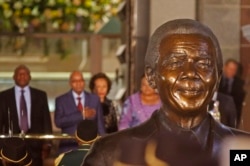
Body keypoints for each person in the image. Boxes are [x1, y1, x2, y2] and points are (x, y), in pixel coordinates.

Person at [82, 19, 250, 166]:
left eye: (204, 64)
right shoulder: (111, 153)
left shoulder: (242, 151)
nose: (190, 73)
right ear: (151, 76)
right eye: (176, 62)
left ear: (218, 77)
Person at [0, 65, 52, 166]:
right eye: (19, 74)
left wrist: (47, 142)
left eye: (25, 73)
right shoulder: (3, 96)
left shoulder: (41, 95)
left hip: (35, 145)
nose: (22, 76)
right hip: (11, 145)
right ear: (14, 77)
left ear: (30, 77)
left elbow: (46, 120)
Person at [54, 71, 105, 154]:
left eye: (81, 80)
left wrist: (103, 145)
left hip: (91, 148)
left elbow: (100, 125)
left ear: (84, 82)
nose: (78, 84)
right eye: (75, 81)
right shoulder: (61, 100)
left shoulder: (94, 99)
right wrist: (81, 115)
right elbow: (58, 122)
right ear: (70, 83)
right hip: (68, 147)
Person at [218, 59, 246, 127]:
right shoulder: (218, 80)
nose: (232, 71)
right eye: (230, 69)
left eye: (234, 70)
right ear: (225, 68)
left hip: (234, 112)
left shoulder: (240, 83)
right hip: (219, 110)